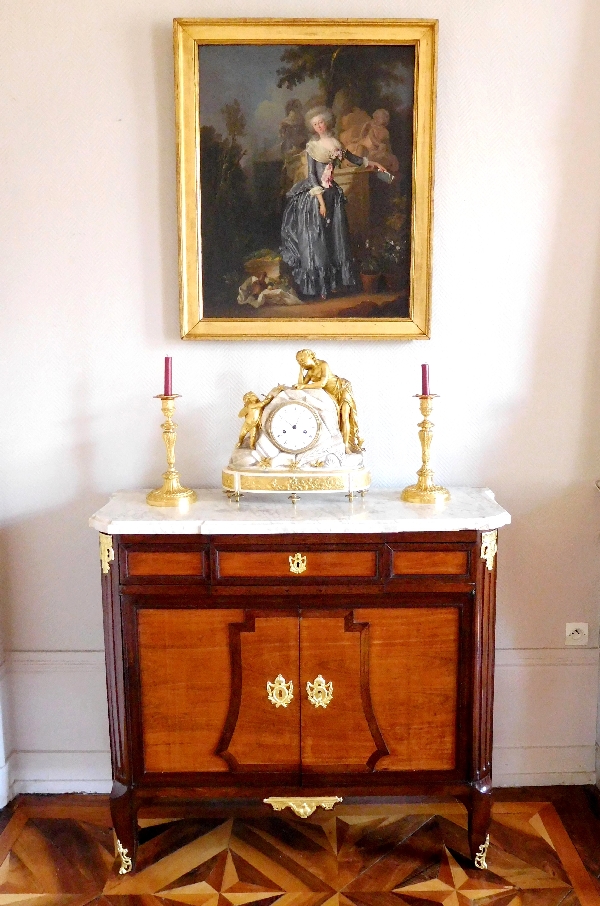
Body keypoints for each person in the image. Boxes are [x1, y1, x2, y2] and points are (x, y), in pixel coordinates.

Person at [280, 106, 388, 300]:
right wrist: (320, 202)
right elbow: (312, 177)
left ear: (326, 122)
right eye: (315, 124)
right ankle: (320, 287)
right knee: (318, 241)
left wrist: (373, 163)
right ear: (312, 127)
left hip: (333, 195)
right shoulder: (312, 147)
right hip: (316, 198)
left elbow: (353, 159)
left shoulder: (336, 142)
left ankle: (335, 283)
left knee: (335, 238)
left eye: (321, 122)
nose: (319, 126)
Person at [294, 349, 364, 453]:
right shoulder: (309, 373)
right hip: (330, 396)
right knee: (335, 419)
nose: (301, 362)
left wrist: (303, 385)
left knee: (344, 417)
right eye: (299, 361)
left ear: (311, 356)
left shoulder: (323, 364)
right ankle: (337, 444)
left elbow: (322, 383)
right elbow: (300, 386)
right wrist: (300, 370)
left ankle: (345, 447)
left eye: (302, 359)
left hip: (341, 389)